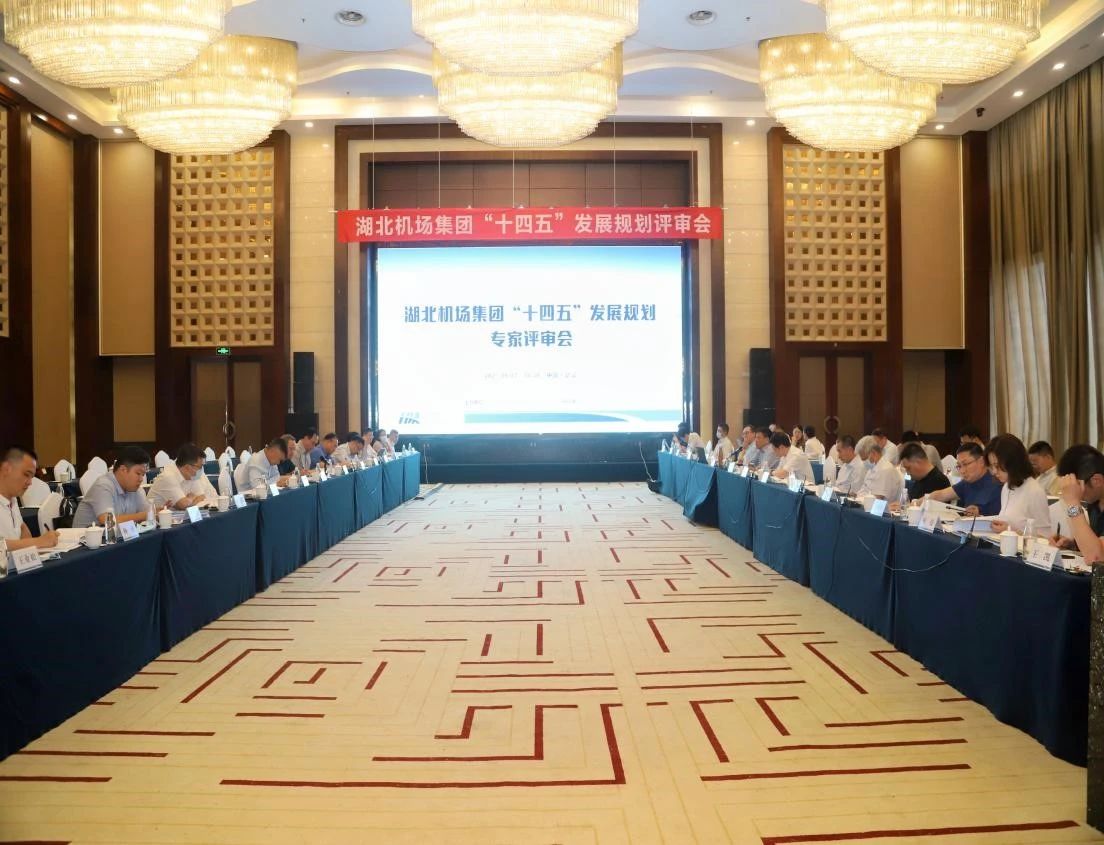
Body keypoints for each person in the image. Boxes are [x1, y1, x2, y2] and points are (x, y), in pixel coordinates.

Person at [987, 434, 1051, 535]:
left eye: (997, 466)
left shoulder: (1034, 491)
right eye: (991, 466)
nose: (994, 472)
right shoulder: (1006, 487)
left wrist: (1011, 531)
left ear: (1013, 462)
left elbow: (1046, 537)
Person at [73, 446, 152, 528]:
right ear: (123, 470)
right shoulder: (103, 486)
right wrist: (144, 515)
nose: (141, 479)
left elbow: (148, 513)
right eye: (138, 473)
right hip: (83, 535)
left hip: (116, 535)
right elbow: (108, 521)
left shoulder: (134, 489)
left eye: (143, 475)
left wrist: (156, 513)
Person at [0, 445, 59, 550]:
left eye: (32, 477)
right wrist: (37, 542)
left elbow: (22, 527)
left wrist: (34, 552)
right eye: (26, 474)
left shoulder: (12, 499)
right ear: (6, 469)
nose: (30, 483)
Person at [1051, 445, 1104, 562]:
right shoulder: (1094, 504)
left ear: (1096, 481)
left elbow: (1095, 557)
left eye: (1076, 485)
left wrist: (1073, 502)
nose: (1075, 491)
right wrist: (1075, 546)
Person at [928, 442, 1003, 516]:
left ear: (982, 461)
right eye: (959, 466)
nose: (962, 471)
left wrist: (980, 512)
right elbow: (940, 495)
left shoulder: (998, 481)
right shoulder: (967, 482)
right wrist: (921, 501)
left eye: (966, 464)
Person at [148, 443, 218, 511]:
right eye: (200, 467)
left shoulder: (192, 476)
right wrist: (191, 498)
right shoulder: (168, 477)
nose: (201, 470)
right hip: (154, 518)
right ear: (188, 467)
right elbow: (183, 505)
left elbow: (202, 497)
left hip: (176, 516)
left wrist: (188, 501)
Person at [857, 436, 903, 502]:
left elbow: (878, 498)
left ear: (873, 453)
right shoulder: (872, 468)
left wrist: (858, 500)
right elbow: (863, 490)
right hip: (864, 503)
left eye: (864, 459)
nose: (863, 462)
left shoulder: (885, 470)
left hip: (877, 507)